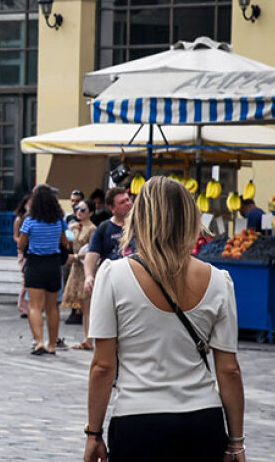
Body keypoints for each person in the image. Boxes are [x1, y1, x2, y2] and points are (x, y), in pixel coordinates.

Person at [84, 176, 245, 462]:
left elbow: (103, 366)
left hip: (138, 419)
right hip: (202, 419)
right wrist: (236, 443)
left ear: (140, 219)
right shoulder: (219, 281)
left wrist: (93, 434)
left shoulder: (113, 275)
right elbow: (229, 370)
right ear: (190, 219)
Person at [76, 187, 133, 350]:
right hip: (113, 283)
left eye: (128, 199)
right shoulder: (104, 228)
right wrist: (88, 276)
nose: (128, 203)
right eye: (122, 202)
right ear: (112, 208)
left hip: (136, 282)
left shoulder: (141, 224)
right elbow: (91, 255)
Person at [17, 184, 70, 355]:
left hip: (35, 264)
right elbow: (65, 242)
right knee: (52, 307)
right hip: (53, 264)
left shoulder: (29, 221)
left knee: (35, 306)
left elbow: (20, 245)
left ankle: (39, 341)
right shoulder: (59, 221)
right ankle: (52, 344)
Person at [63, 198, 97, 325]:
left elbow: (93, 251)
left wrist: (77, 256)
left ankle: (89, 335)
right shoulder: (76, 227)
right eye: (77, 208)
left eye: (83, 209)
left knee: (87, 306)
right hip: (76, 267)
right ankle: (86, 335)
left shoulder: (92, 229)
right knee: (81, 305)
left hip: (86, 267)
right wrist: (70, 227)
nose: (79, 212)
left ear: (91, 213)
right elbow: (65, 241)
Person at [13, 195, 31, 318]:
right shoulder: (19, 219)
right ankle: (23, 307)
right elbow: (15, 236)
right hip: (23, 249)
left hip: (31, 249)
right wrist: (21, 241)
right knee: (25, 279)